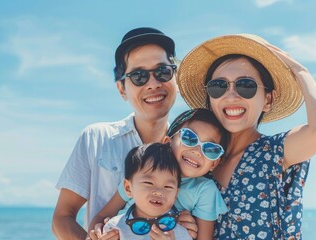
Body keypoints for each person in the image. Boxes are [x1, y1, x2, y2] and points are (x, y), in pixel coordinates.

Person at [177, 34, 316, 239]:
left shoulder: (275, 151)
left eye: (246, 86)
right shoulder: (197, 162)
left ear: (268, 99)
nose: (231, 95)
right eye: (218, 86)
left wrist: (300, 70)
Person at [52, 27, 199, 240]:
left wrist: (189, 226)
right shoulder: (96, 138)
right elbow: (63, 217)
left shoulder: (192, 148)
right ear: (122, 89)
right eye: (139, 76)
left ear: (175, 79)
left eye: (163, 72)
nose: (153, 84)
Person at [89, 108, 229, 240]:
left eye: (211, 149)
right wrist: (96, 234)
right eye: (190, 138)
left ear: (214, 164)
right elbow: (103, 215)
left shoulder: (204, 190)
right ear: (168, 142)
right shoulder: (142, 170)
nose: (197, 150)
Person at [102, 142, 192, 239]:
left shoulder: (181, 233)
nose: (159, 192)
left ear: (175, 195)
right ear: (128, 188)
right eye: (148, 183)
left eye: (168, 187)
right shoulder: (114, 228)